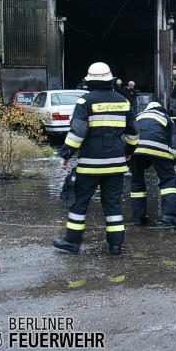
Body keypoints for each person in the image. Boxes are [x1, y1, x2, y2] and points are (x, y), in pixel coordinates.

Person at [52, 62, 139, 255]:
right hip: (116, 164)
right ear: (110, 80)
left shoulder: (85, 102)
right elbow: (133, 133)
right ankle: (115, 245)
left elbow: (78, 133)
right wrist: (129, 151)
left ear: (89, 82)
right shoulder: (123, 102)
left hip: (90, 165)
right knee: (113, 204)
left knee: (80, 203)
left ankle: (72, 242)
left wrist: (66, 154)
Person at [130, 102, 176, 227]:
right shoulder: (166, 118)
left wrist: (128, 154)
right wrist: (174, 160)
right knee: (168, 181)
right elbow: (174, 142)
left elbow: (129, 132)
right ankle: (169, 216)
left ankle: (138, 219)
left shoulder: (139, 115)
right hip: (158, 146)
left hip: (135, 148)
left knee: (136, 182)